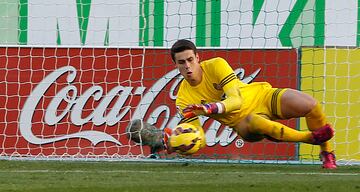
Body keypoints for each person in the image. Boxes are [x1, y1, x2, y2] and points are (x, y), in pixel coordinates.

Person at [164, 39, 336, 169]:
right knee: (256, 121)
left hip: (262, 97)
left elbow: (236, 100)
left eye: (190, 59)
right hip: (243, 124)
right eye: (181, 62)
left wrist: (210, 107)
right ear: (176, 65)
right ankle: (310, 137)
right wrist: (178, 143)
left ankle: (326, 152)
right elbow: (199, 138)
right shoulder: (184, 99)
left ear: (197, 58)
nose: (187, 66)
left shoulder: (216, 65)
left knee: (311, 105)